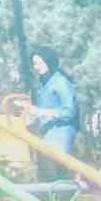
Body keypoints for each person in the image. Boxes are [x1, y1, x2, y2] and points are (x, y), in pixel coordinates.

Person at [28, 44, 77, 179]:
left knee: (60, 178)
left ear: (50, 61)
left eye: (40, 63)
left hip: (61, 138)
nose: (37, 67)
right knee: (47, 177)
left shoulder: (60, 82)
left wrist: (40, 112)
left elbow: (69, 112)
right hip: (46, 137)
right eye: (34, 64)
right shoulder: (42, 85)